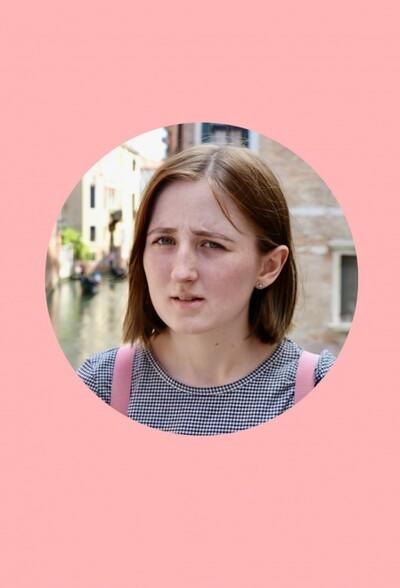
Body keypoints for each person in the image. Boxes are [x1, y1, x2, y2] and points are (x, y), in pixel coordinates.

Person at [77, 144, 335, 435]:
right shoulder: (100, 385)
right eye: (164, 241)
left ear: (268, 267)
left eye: (212, 244)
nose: (182, 272)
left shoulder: (319, 389)